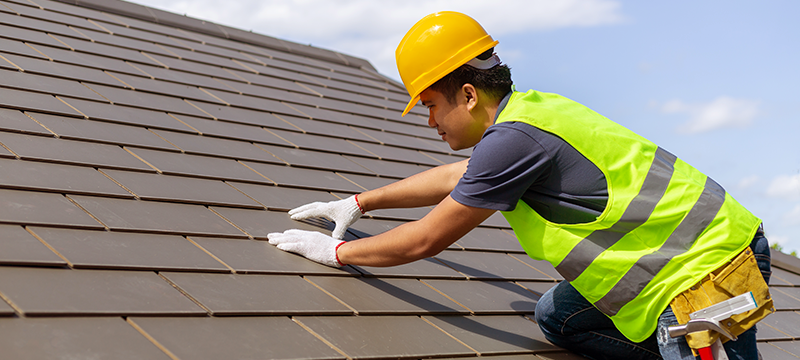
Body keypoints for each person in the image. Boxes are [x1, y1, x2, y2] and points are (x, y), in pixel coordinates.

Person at [267, 11, 772, 360]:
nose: (429, 122)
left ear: (466, 95)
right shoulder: (529, 114)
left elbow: (425, 239)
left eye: (430, 105)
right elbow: (456, 177)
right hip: (698, 257)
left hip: (710, 275)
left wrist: (334, 255)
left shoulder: (515, 140)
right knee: (558, 317)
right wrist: (358, 203)